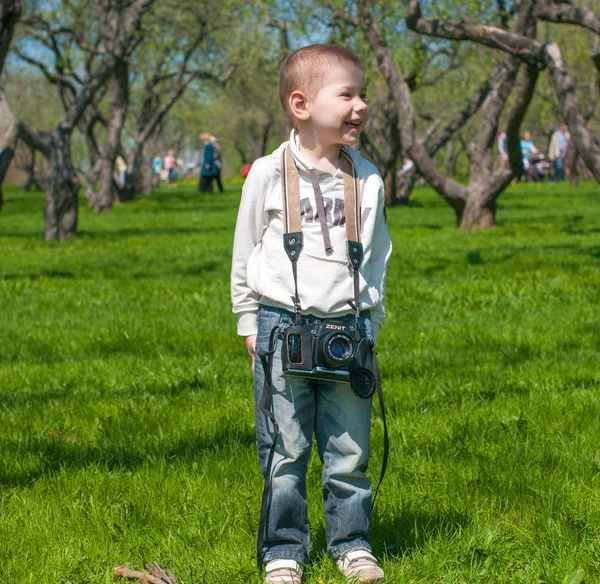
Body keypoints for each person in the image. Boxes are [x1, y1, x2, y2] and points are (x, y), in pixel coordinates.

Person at [231, 45, 392, 584]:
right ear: (301, 104)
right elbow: (245, 248)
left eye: (363, 94)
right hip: (281, 326)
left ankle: (351, 542)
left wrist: (371, 319)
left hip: (349, 328)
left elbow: (378, 255)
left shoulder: (366, 177)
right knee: (285, 448)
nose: (361, 105)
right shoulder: (269, 173)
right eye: (347, 94)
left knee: (349, 448)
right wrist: (248, 321)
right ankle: (284, 550)